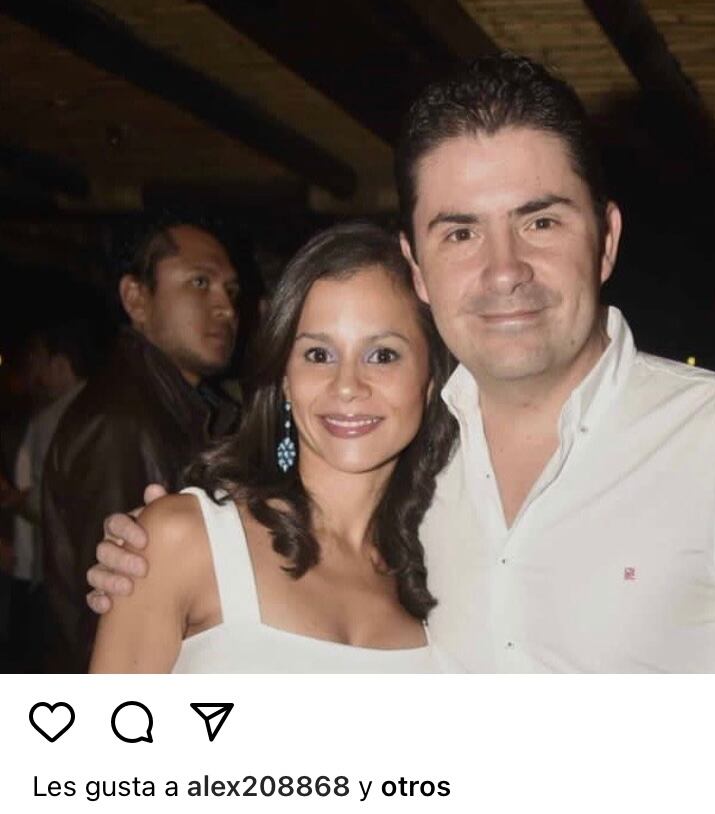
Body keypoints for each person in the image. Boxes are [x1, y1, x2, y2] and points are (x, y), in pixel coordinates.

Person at [88, 55, 715, 672]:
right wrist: (160, 556)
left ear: (605, 240)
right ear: (417, 266)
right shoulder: (414, 469)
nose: (505, 270)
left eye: (540, 221)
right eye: (461, 233)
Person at [89, 222, 455, 673]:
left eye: (382, 355)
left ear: (430, 381)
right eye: (318, 355)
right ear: (285, 378)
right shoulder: (183, 540)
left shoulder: (449, 575)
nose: (347, 386)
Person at [43, 219, 242, 671]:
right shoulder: (121, 421)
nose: (225, 307)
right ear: (136, 298)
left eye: (231, 291)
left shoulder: (189, 410)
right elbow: (109, 613)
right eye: (200, 282)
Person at [0, 321, 88, 667]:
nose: (32, 372)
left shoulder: (59, 418)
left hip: (50, 579)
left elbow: (54, 500)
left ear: (60, 363)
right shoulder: (61, 412)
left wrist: (16, 500)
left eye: (37, 360)